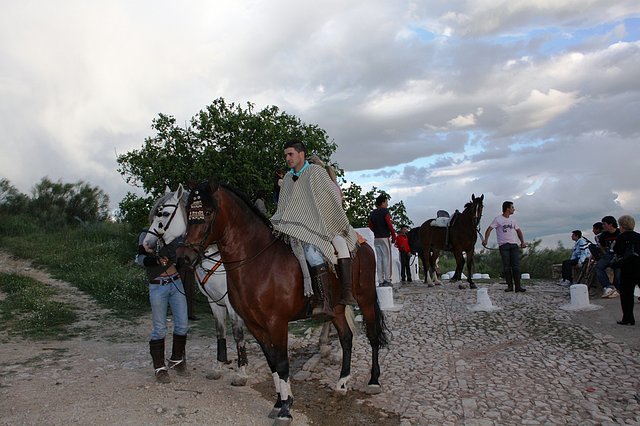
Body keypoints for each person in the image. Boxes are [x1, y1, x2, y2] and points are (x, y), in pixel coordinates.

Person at [270, 139, 358, 319]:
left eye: (290, 154)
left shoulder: (316, 172)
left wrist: (315, 218)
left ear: (301, 154)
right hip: (293, 225)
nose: (287, 158)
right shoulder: (287, 177)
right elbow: (285, 204)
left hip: (321, 223)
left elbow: (330, 197)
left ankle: (325, 301)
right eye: (285, 155)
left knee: (312, 254)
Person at [136, 228, 189, 384]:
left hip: (176, 282)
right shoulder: (145, 235)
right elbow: (140, 259)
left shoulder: (176, 234)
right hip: (158, 287)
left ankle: (176, 359)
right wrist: (156, 261)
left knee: (183, 325)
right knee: (159, 328)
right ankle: (159, 367)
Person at [482, 201, 527, 292]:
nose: (513, 209)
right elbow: (489, 229)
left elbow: (518, 231)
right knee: (507, 267)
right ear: (507, 208)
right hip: (504, 245)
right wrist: (486, 240)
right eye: (512, 207)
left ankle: (518, 287)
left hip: (513, 244)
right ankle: (510, 286)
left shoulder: (513, 220)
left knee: (516, 266)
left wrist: (522, 242)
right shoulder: (498, 219)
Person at [612, 215, 640, 325]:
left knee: (627, 295)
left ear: (621, 226)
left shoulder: (621, 237)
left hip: (627, 268)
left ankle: (628, 318)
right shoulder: (638, 236)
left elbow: (617, 251)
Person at [368, 194, 397, 286]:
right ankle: (387, 279)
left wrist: (376, 232)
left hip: (376, 238)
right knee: (386, 258)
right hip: (385, 237)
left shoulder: (373, 213)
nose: (387, 204)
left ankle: (380, 280)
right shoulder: (385, 211)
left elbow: (370, 226)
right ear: (383, 202)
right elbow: (389, 224)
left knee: (379, 259)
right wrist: (393, 236)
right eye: (386, 202)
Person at [597, 216, 620, 299]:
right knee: (599, 266)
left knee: (617, 269)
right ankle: (608, 286)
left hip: (619, 254)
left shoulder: (619, 233)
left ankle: (617, 288)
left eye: (604, 224)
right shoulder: (604, 235)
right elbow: (602, 246)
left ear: (610, 224)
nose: (603, 226)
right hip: (609, 254)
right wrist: (605, 254)